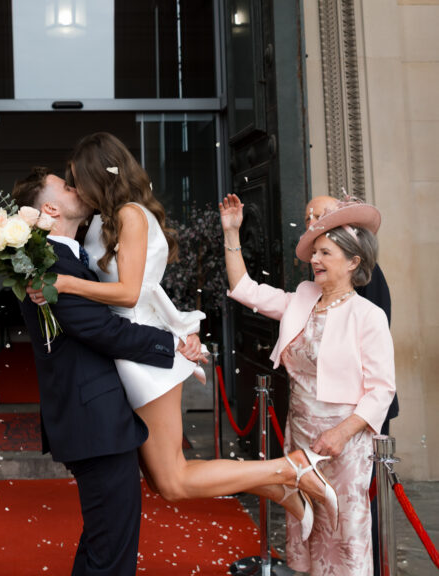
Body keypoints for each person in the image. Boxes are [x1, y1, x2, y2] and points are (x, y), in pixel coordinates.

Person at [27, 133, 331, 531]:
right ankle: (279, 486)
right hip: (125, 349)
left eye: (77, 179)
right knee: (161, 481)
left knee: (172, 480)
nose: (76, 188)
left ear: (98, 174)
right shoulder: (100, 221)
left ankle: (289, 469)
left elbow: (130, 292)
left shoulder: (131, 215)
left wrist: (66, 284)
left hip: (143, 352)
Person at [13, 167, 183, 576]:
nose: (76, 187)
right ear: (49, 210)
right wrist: (174, 344)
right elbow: (101, 330)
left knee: (97, 551)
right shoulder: (46, 264)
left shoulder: (62, 257)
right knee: (112, 559)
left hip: (92, 420)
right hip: (96, 424)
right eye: (64, 186)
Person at [220, 192, 396, 576]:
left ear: (354, 261)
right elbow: (244, 289)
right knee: (322, 546)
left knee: (348, 549)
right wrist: (232, 232)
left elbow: (381, 390)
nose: (315, 259)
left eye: (325, 252)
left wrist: (341, 434)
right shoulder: (302, 299)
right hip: (301, 438)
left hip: (343, 445)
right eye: (314, 251)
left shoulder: (367, 315)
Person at [298, 195, 400, 576]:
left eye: (320, 216)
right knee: (329, 516)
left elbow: (376, 372)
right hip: (322, 421)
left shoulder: (364, 297)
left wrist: (344, 427)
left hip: (356, 416)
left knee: (354, 518)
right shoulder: (315, 283)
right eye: (308, 218)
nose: (312, 223)